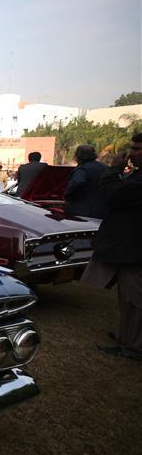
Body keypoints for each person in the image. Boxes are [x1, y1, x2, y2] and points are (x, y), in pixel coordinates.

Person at [81, 133, 142, 360]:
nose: (131, 152)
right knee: (127, 298)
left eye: (137, 149)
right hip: (129, 246)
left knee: (135, 299)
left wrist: (115, 170)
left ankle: (133, 345)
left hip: (134, 249)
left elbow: (113, 195)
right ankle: (127, 337)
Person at [64, 145, 107, 219]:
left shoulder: (82, 169)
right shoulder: (105, 167)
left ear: (78, 156)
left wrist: (67, 195)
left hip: (81, 211)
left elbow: (77, 182)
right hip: (102, 211)